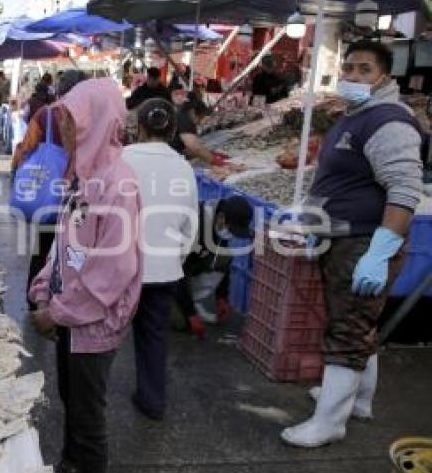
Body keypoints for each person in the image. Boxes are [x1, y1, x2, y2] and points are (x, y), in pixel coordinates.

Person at [282, 40, 423, 448]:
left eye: (365, 70)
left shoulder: (390, 121)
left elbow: (404, 190)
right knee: (359, 323)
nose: (354, 77)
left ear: (384, 77)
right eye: (349, 68)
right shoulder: (355, 115)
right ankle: (357, 399)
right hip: (340, 236)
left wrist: (380, 251)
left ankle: (329, 422)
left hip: (363, 240)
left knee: (348, 329)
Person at [28, 78, 142, 473]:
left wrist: (58, 311)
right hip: (69, 317)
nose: (68, 134)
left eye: (76, 123)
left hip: (91, 323)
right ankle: (68, 466)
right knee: (71, 401)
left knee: (88, 416)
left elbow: (114, 270)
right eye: (67, 124)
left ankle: (85, 469)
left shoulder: (118, 183)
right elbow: (64, 242)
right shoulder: (82, 175)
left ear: (101, 122)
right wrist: (43, 287)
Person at [122, 98, 199, 421]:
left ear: (138, 126)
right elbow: (190, 225)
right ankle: (153, 400)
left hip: (121, 268)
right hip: (165, 270)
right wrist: (173, 258)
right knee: (154, 337)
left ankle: (93, 403)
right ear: (172, 130)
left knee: (104, 338)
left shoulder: (121, 160)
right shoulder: (183, 167)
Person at [13, 70, 88, 308]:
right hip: (80, 192)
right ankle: (66, 299)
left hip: (48, 193)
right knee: (74, 249)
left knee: (43, 246)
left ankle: (34, 298)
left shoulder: (45, 114)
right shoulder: (91, 117)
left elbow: (25, 149)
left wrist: (20, 173)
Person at [176, 196, 253, 338]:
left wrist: (222, 297)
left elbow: (219, 255)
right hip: (169, 275)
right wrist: (190, 313)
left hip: (191, 265)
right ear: (222, 217)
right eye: (232, 229)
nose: (230, 235)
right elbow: (178, 271)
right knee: (181, 322)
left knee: (224, 256)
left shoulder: (219, 223)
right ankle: (180, 305)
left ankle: (193, 300)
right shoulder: (195, 223)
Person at [169, 93, 228, 167]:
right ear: (193, 111)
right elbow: (194, 146)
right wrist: (215, 161)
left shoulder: (180, 115)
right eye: (200, 117)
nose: (199, 122)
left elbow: (187, 149)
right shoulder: (185, 119)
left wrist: (208, 153)